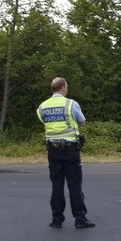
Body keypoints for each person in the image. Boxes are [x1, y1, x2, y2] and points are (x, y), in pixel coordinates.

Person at [37, 77, 95, 228]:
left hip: (52, 150)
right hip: (70, 149)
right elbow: (81, 121)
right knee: (74, 185)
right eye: (66, 86)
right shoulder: (70, 103)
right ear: (63, 88)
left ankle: (57, 220)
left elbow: (45, 122)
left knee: (57, 185)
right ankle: (80, 219)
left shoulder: (42, 106)